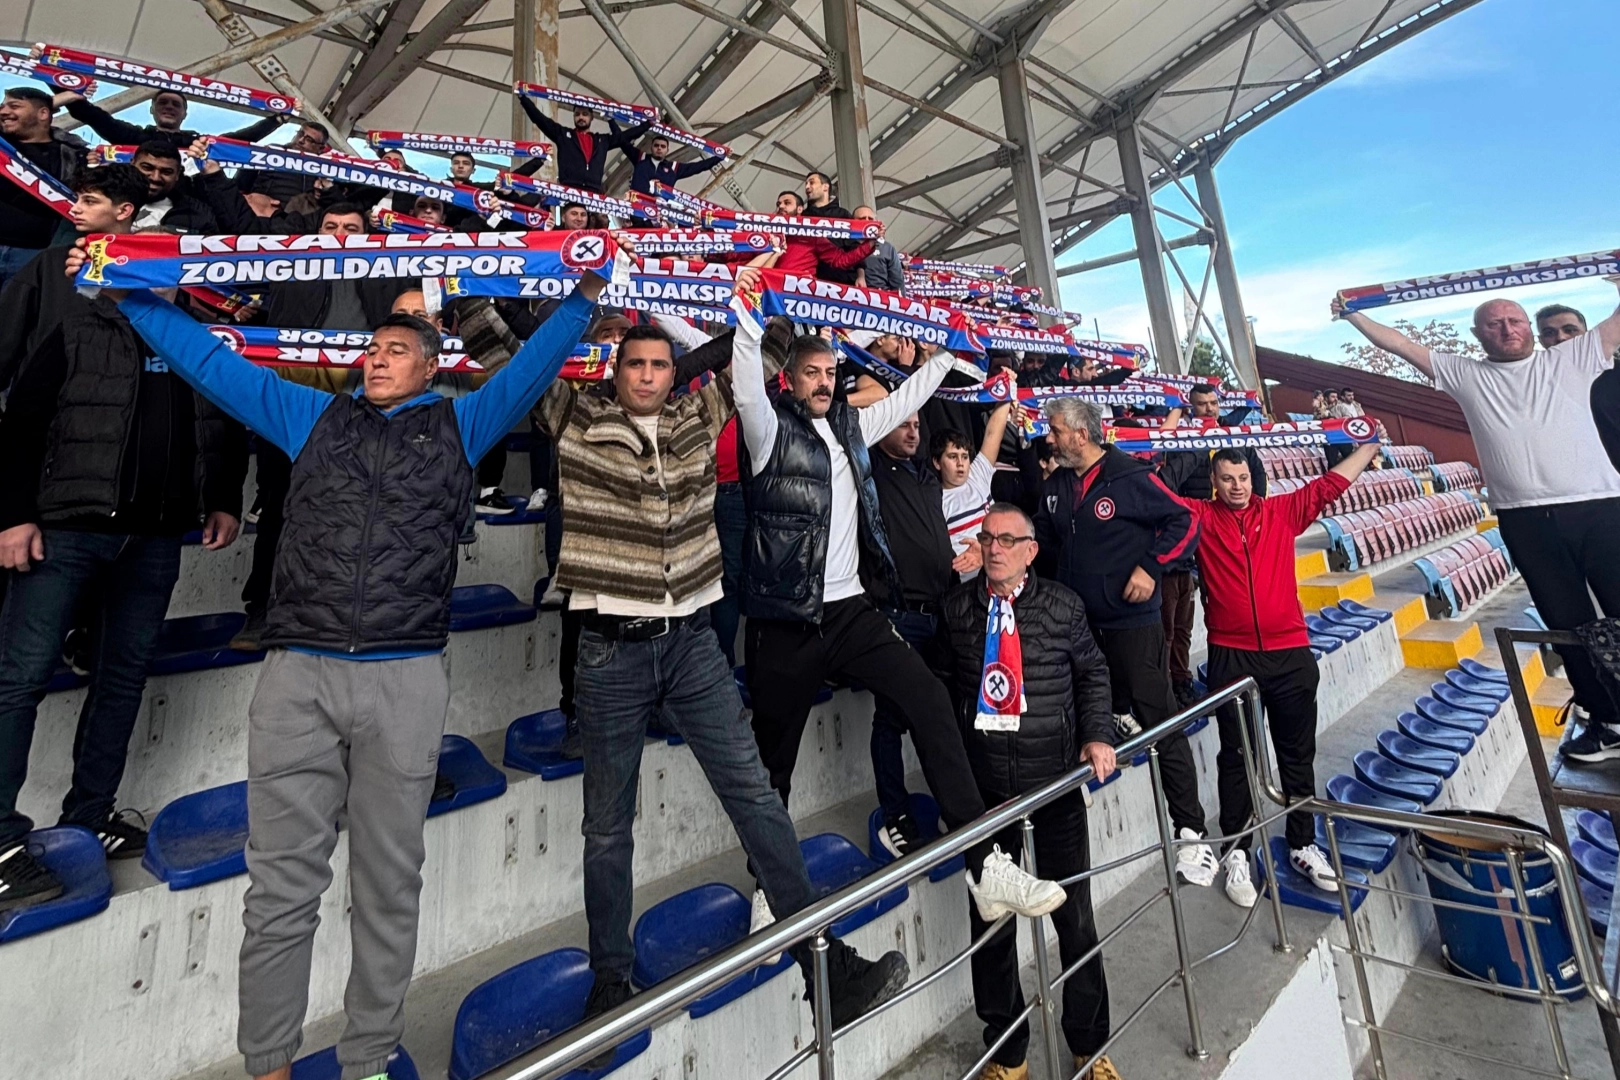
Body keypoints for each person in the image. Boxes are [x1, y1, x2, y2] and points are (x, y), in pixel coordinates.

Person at [59, 227, 615, 1080]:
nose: (379, 359)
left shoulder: (464, 427)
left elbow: (534, 368)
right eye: (373, 349)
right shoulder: (309, 416)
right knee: (279, 889)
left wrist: (583, 298)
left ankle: (368, 1059)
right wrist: (126, 288)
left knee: (389, 888)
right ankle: (269, 1064)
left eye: (398, 350)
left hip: (404, 678)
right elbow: (207, 363)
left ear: (432, 366)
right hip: (298, 676)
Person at [516, 265, 910, 1059]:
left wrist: (761, 290)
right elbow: (510, 358)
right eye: (635, 364)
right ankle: (608, 980)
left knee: (758, 799)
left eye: (660, 364)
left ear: (676, 372)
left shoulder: (702, 414)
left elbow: (765, 346)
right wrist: (573, 292)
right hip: (609, 654)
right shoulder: (574, 418)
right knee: (606, 828)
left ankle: (823, 966)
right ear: (614, 371)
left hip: (693, 647)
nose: (648, 376)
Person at [731, 297, 1067, 922]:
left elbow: (909, 396)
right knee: (774, 761)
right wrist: (749, 318)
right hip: (785, 619)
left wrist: (943, 353)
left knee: (930, 699)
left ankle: (984, 863)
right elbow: (745, 382)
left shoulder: (852, 429)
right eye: (811, 373)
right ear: (790, 379)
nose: (824, 383)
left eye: (831, 373)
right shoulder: (767, 430)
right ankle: (768, 888)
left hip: (850, 610)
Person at [0, 168, 247, 912]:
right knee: (20, 679)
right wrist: (14, 515)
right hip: (67, 530)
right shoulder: (77, 327)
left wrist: (223, 497)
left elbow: (222, 420)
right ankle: (1, 839)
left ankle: (89, 815)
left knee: (123, 679)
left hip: (155, 537)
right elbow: (21, 425)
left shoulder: (196, 340)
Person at [1336, 288, 1620, 760]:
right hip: (1524, 517)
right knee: (1565, 621)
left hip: (1599, 506)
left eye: (1515, 320)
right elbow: (1399, 344)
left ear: (1529, 328)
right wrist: (1352, 315)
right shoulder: (1466, 374)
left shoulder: (1574, 356)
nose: (1507, 329)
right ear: (1477, 334)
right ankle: (1607, 720)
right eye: (1494, 323)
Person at [944, 504, 1120, 1080]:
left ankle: (1090, 1047)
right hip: (987, 798)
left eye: (1006, 540)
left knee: (1074, 919)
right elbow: (941, 693)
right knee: (992, 928)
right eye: (986, 539)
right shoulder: (957, 610)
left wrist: (1097, 732)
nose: (994, 549)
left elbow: (1093, 672)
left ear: (1030, 550)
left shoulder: (1063, 606)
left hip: (1054, 789)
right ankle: (1007, 1053)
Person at [1180, 441, 1381, 905]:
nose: (1236, 487)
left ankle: (1302, 843)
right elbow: (1148, 492)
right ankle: (1235, 850)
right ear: (1214, 482)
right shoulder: (1201, 517)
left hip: (1290, 655)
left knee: (1297, 755)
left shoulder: (1281, 513)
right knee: (1238, 757)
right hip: (1233, 657)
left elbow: (1331, 485)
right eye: (1227, 479)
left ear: (1255, 480)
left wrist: (1368, 443)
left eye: (1243, 479)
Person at [1028, 397, 1217, 887]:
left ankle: (1191, 831)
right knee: (1068, 710)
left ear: (1081, 434)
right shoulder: (1057, 485)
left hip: (1131, 624)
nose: (1048, 438)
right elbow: (1042, 541)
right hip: (1076, 625)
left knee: (1161, 719)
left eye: (1055, 430)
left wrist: (1151, 567)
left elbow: (1187, 521)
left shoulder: (1131, 476)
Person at [865, 412, 957, 856]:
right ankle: (894, 816)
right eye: (902, 422)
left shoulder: (925, 473)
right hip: (899, 615)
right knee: (891, 718)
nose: (913, 431)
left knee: (941, 715)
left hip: (941, 613)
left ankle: (951, 804)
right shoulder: (872, 471)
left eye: (918, 424)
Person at [1157, 384, 1267, 706]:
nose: (1209, 408)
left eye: (1213, 403)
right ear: (1191, 409)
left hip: (1225, 537)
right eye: (1202, 404)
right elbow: (1169, 485)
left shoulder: (1234, 437)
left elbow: (1257, 477)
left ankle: (1211, 676)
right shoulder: (1181, 441)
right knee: (1173, 624)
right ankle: (1172, 686)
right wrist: (1200, 445)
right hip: (1187, 540)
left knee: (1215, 612)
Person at [0, 86, 85, 284]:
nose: (4, 111)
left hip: (34, 254)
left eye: (14, 106)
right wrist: (56, 101)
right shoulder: (2, 145)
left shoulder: (73, 155)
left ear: (43, 114)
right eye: (2, 107)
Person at [56, 85, 284, 152]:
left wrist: (278, 119)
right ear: (152, 110)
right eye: (163, 102)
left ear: (185, 113)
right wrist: (56, 79)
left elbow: (240, 139)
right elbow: (92, 115)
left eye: (176, 104)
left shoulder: (196, 143)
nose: (169, 107)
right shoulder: (134, 136)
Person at [934, 395, 1016, 571]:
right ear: (937, 462)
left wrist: (1006, 392)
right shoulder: (934, 501)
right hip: (967, 579)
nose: (960, 463)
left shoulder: (976, 475)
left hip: (1003, 568)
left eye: (964, 457)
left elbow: (993, 433)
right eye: (953, 457)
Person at [519, 102, 651, 193]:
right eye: (577, 114)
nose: (581, 117)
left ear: (592, 117)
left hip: (594, 191)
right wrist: (523, 98)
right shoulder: (563, 134)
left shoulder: (602, 140)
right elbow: (540, 120)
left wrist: (647, 124)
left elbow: (626, 136)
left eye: (584, 114)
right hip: (569, 190)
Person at [127, 141, 216, 232]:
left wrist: (216, 176)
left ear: (178, 174)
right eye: (147, 168)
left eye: (166, 172)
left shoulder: (198, 215)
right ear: (132, 164)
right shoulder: (116, 200)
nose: (155, 178)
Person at [622, 131, 722, 194]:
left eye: (663, 146)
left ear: (667, 150)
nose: (659, 148)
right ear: (651, 148)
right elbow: (622, 141)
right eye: (656, 145)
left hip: (659, 211)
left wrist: (721, 156)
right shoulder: (641, 158)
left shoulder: (674, 168)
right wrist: (644, 126)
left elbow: (699, 166)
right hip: (638, 207)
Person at [852, 205, 905, 293]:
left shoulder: (887, 248)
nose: (867, 221)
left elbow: (897, 282)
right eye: (862, 218)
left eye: (870, 218)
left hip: (881, 297)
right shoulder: (844, 245)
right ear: (853, 221)